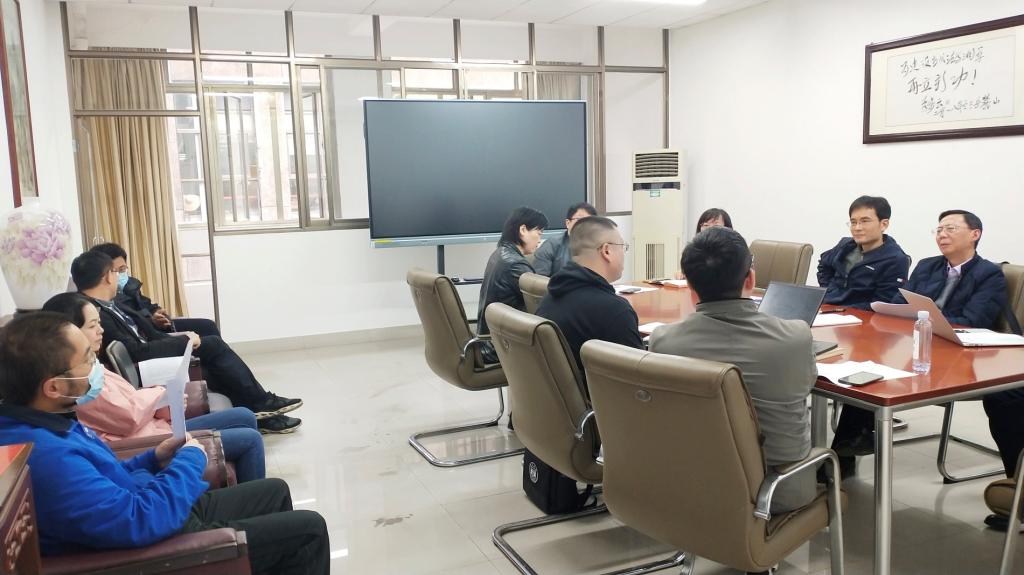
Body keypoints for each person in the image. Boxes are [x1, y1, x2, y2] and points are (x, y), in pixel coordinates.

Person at [0, 313, 329, 574]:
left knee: (274, 490)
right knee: (308, 531)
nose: (96, 365)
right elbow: (138, 521)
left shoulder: (46, 421)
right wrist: (189, 460)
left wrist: (152, 458)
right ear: (54, 387)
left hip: (151, 502)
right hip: (159, 533)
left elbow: (107, 477)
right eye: (87, 359)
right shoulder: (47, 456)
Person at [650, 227, 819, 514]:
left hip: (692, 482)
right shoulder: (795, 337)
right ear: (750, 279)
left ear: (689, 285)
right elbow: (806, 385)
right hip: (775, 491)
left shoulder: (663, 341)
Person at [834, 210, 1009, 476]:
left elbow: (973, 321)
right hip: (917, 345)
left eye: (950, 229)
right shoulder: (927, 265)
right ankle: (847, 450)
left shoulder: (989, 274)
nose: (942, 235)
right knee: (866, 365)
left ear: (975, 234)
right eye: (939, 230)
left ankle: (848, 448)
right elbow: (901, 302)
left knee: (877, 369)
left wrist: (926, 319)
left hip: (958, 357)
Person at [42, 292, 266, 483]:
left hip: (157, 429)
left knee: (244, 415)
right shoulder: (79, 381)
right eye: (93, 326)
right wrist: (160, 394)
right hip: (149, 440)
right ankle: (256, 506)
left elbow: (133, 401)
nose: (101, 330)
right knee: (250, 439)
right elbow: (129, 415)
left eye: (99, 323)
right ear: (69, 334)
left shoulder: (93, 364)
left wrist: (165, 403)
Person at [71, 250, 302, 434]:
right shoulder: (93, 312)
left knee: (214, 366)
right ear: (107, 276)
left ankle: (262, 416)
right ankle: (263, 403)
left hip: (152, 357)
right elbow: (136, 350)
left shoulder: (111, 304)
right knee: (213, 345)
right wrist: (183, 342)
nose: (121, 276)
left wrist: (181, 338)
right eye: (116, 271)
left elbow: (148, 332)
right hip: (146, 369)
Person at [536, 216, 643, 388]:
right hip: (601, 401)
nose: (624, 253)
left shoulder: (552, 294)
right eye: (623, 247)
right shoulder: (614, 310)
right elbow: (640, 379)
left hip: (558, 398)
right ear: (606, 251)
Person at [91, 242, 220, 337]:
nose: (121, 275)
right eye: (116, 271)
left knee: (208, 326)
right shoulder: (107, 299)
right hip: (148, 334)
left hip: (158, 326)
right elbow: (131, 322)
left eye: (123, 269)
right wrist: (151, 320)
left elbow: (147, 304)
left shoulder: (130, 285)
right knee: (211, 343)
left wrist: (156, 312)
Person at [476, 206, 548, 363]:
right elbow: (541, 303)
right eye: (539, 232)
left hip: (489, 340)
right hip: (500, 347)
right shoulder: (514, 264)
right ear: (523, 230)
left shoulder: (500, 254)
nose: (539, 239)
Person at [817, 195, 910, 310]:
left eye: (865, 221)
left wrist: (844, 310)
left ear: (884, 224)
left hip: (859, 314)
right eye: (853, 222)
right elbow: (824, 265)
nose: (857, 228)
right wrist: (828, 290)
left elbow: (884, 303)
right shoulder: (846, 245)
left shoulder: (896, 259)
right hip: (828, 306)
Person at [532, 202, 597, 277]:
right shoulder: (551, 245)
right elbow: (539, 279)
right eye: (580, 220)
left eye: (589, 221)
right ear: (568, 223)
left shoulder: (599, 246)